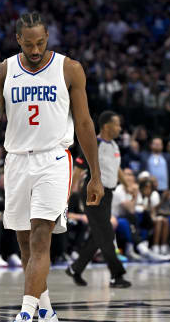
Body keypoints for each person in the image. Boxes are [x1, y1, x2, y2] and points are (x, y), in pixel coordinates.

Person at [0, 11, 104, 322]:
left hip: (54, 158)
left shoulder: (69, 69)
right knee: (24, 241)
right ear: (18, 39)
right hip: (16, 159)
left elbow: (84, 122)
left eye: (40, 43)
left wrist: (95, 175)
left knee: (41, 235)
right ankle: (45, 309)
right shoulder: (3, 71)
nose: (34, 50)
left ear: (48, 39)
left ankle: (26, 313)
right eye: (28, 44)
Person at [66, 111, 131, 288]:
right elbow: (78, 170)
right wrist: (72, 195)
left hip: (108, 194)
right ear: (106, 126)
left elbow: (116, 169)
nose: (119, 128)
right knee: (106, 233)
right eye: (117, 124)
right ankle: (117, 276)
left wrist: (127, 185)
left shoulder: (114, 146)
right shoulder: (93, 144)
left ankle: (75, 268)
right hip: (93, 194)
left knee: (99, 234)